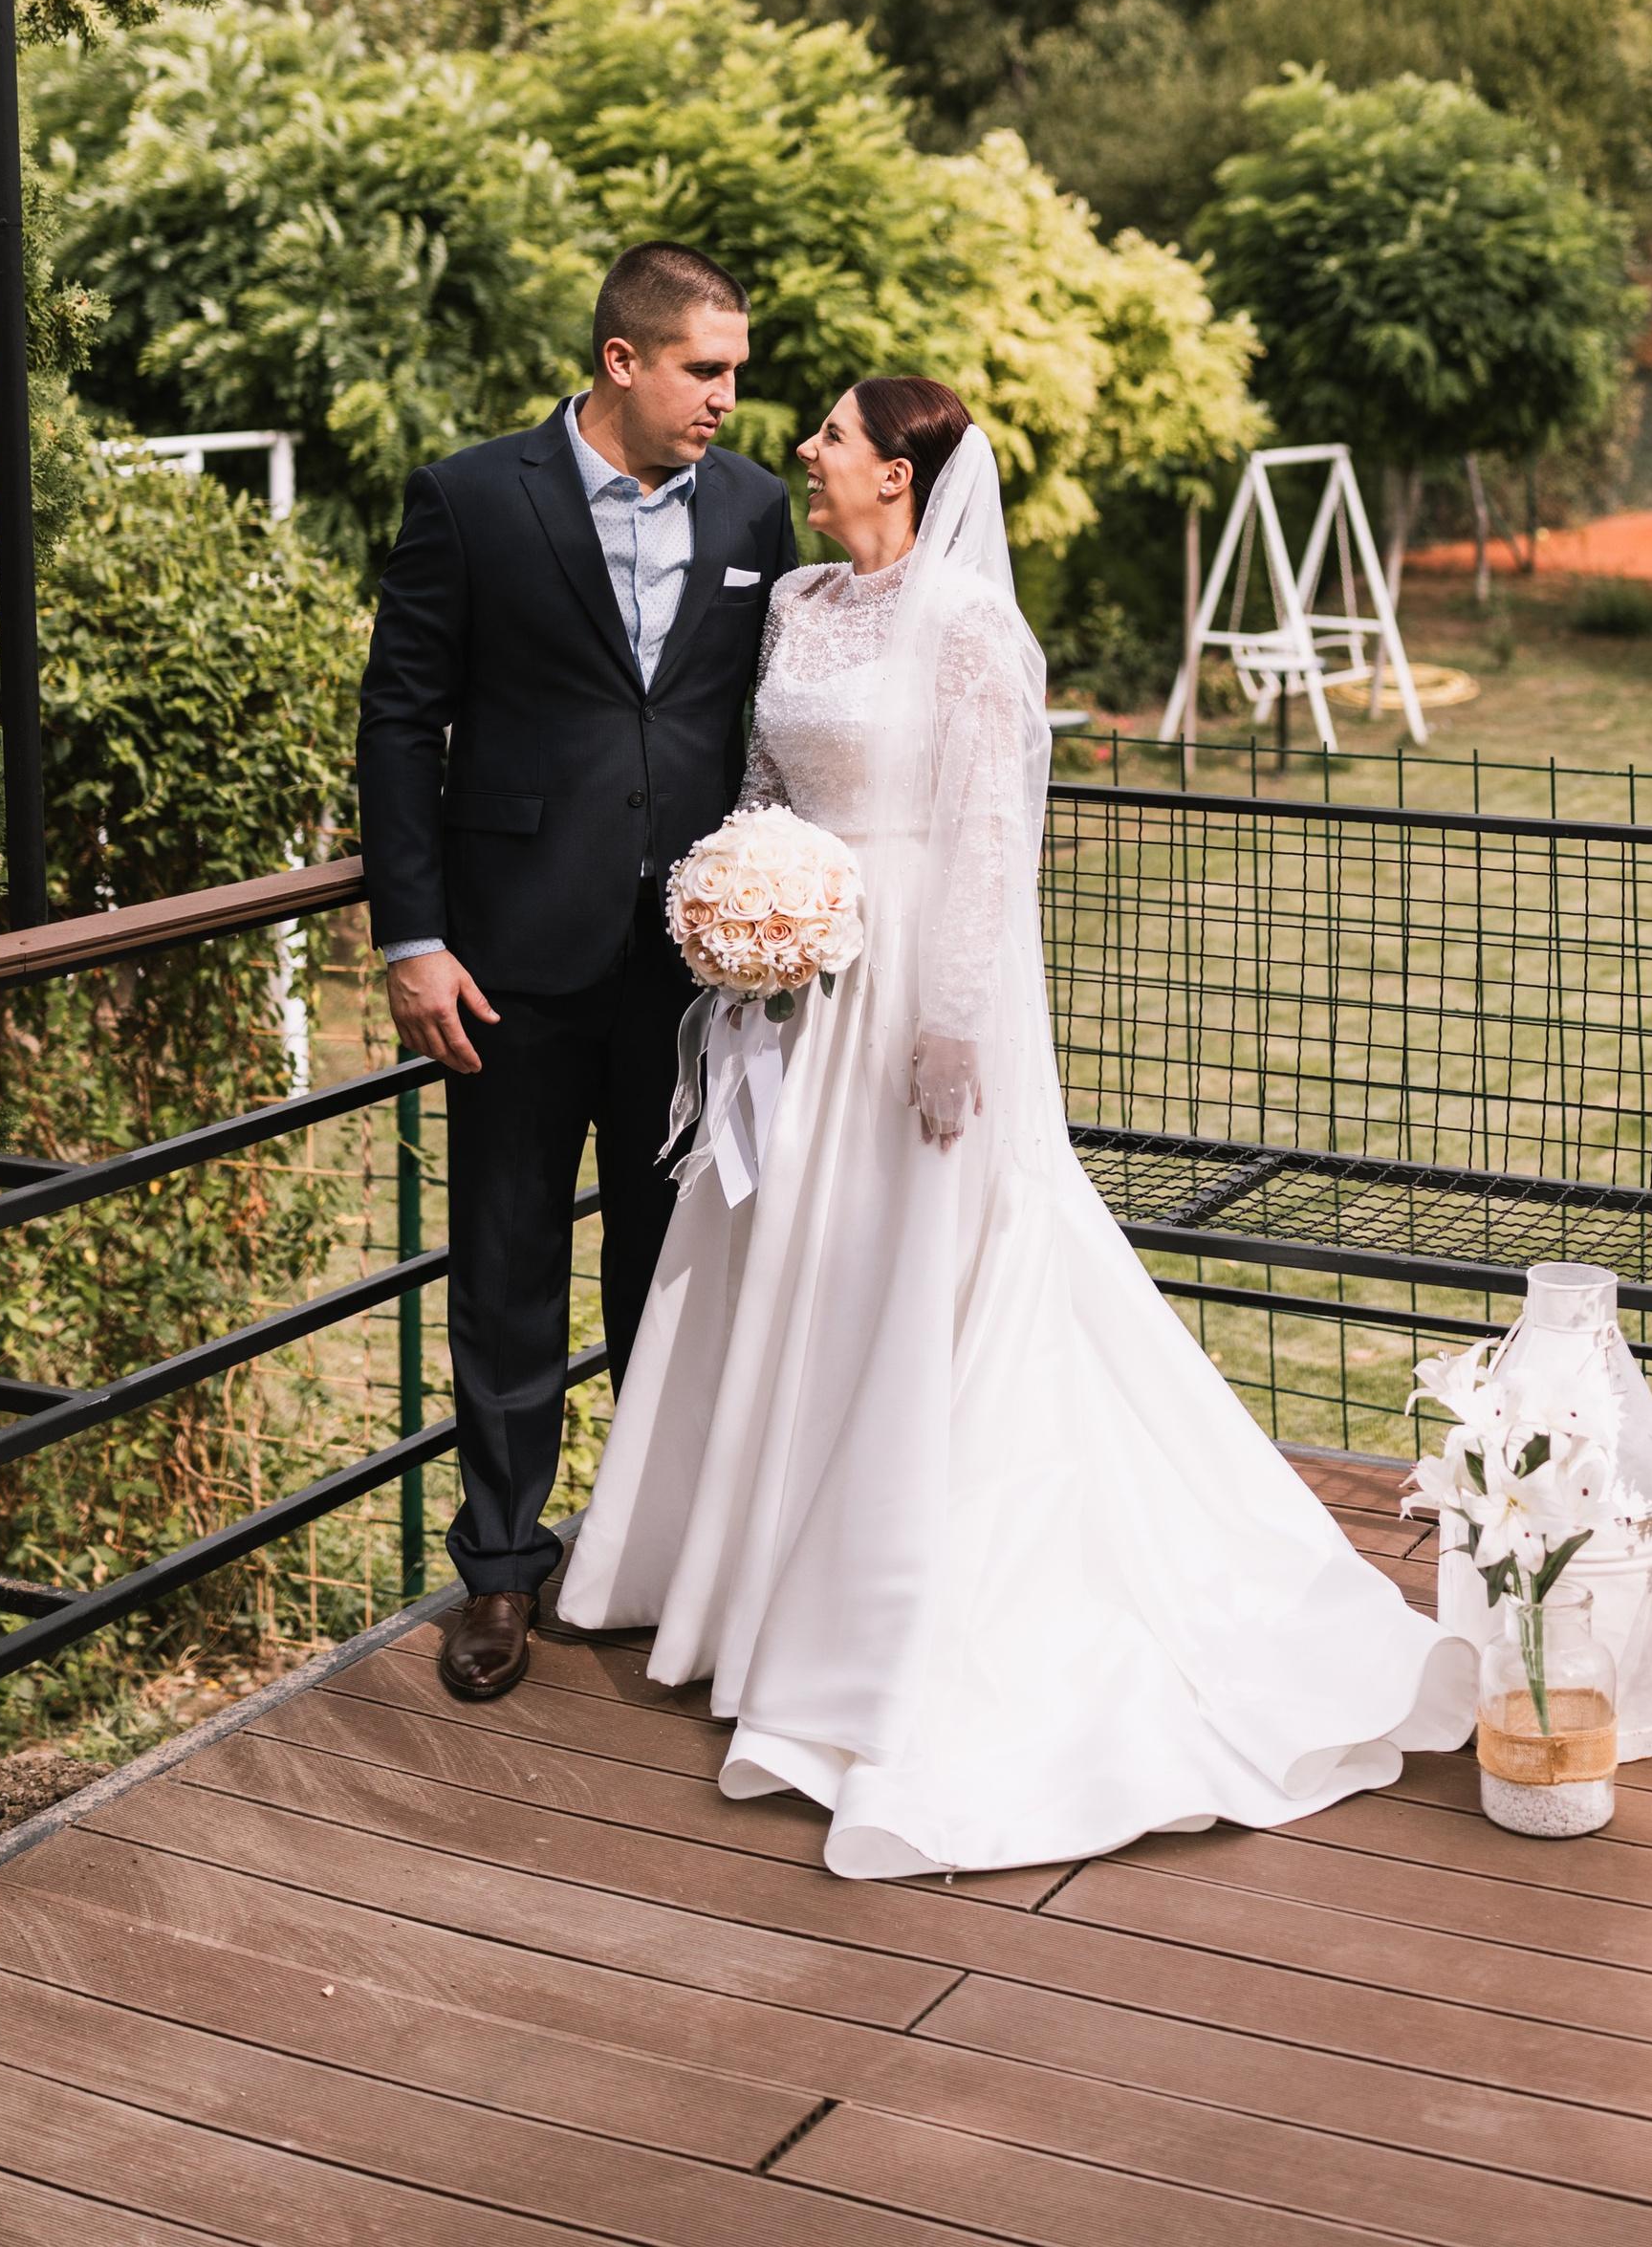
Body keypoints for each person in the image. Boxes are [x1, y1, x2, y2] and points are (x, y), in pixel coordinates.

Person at [559, 374, 1473, 1874]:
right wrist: (744, 918)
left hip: (916, 970)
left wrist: (949, 1025)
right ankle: (750, 1593)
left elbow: (994, 838)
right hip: (801, 973)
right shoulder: (795, 599)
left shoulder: (975, 628)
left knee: (912, 1272)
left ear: (902, 476)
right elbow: (764, 779)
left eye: (838, 436)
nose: (808, 448)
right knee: (789, 1260)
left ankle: (891, 1617)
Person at [357, 241, 798, 1703]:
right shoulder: (474, 496)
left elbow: (754, 723)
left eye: (734, 368)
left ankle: (645, 1552)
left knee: (665, 1271)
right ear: (623, 360)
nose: (730, 397)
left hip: (689, 975)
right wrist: (412, 939)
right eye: (704, 368)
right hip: (507, 964)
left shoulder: (752, 508)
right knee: (503, 1265)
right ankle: (498, 1573)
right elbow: (401, 721)